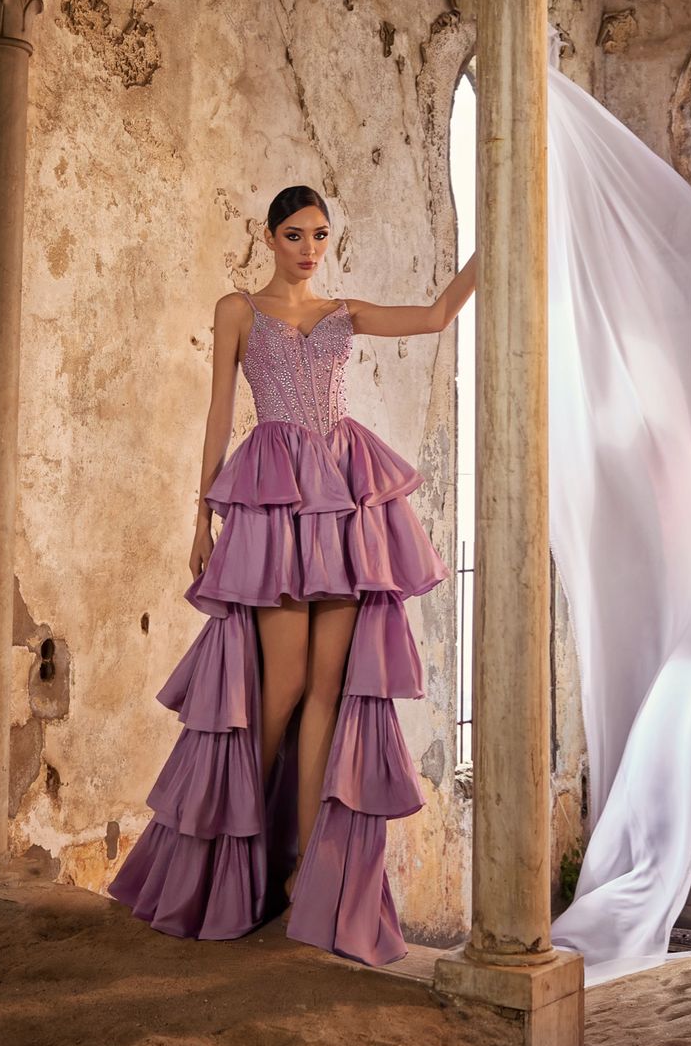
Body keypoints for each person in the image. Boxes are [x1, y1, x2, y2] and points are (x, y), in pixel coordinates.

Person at [107, 184, 476, 966]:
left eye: (320, 236)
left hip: (342, 502)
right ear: (269, 237)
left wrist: (499, 244)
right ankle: (245, 842)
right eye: (295, 235)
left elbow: (440, 314)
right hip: (274, 501)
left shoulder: (343, 312)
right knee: (279, 686)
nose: (310, 249)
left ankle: (306, 863)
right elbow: (217, 415)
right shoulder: (238, 309)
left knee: (325, 692)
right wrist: (200, 518)